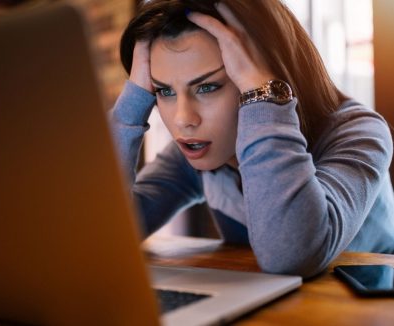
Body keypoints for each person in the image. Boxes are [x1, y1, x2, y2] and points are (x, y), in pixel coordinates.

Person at [110, 0, 394, 278]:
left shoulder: (360, 132)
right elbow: (104, 236)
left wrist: (263, 92)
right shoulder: (200, 148)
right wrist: (131, 104)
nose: (183, 119)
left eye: (208, 86)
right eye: (164, 91)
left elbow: (291, 257)